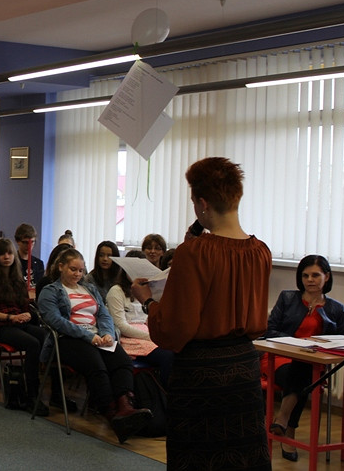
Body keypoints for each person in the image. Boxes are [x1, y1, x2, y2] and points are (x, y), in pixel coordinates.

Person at [130, 157, 272, 469]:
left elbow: (173, 330)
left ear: (202, 203)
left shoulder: (193, 254)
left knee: (198, 458)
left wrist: (148, 302)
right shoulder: (261, 252)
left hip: (201, 375)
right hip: (244, 370)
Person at [38, 248, 152, 443]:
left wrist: (107, 333)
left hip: (96, 337)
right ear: (60, 267)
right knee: (96, 364)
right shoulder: (51, 291)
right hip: (67, 339)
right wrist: (87, 335)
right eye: (73, 269)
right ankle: (111, 412)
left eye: (81, 270)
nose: (77, 274)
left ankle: (125, 407)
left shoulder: (89, 289)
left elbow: (103, 314)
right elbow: (56, 321)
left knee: (122, 359)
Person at [265, 254, 344, 462]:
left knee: (304, 371)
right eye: (305, 276)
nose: (309, 280)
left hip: (313, 363)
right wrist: (298, 344)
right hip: (279, 358)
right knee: (304, 374)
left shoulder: (336, 309)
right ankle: (288, 429)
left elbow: (343, 341)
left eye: (315, 275)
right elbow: (270, 330)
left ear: (326, 277)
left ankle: (283, 421)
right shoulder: (287, 298)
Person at [0, 239, 50, 415]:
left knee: (46, 337)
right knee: (32, 344)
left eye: (9, 253)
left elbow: (25, 306)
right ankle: (32, 394)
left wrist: (27, 315)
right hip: (1, 326)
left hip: (19, 322)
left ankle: (50, 390)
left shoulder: (18, 279)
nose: (6, 257)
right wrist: (12, 317)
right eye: (2, 253)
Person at [105, 268, 173, 388]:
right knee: (167, 356)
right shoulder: (116, 291)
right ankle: (167, 394)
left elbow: (149, 318)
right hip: (129, 338)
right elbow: (121, 326)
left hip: (148, 335)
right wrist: (150, 336)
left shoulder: (147, 290)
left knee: (175, 352)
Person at [14, 223, 44, 288]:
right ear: (18, 241)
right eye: (25, 242)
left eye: (32, 242)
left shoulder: (39, 264)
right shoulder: (12, 262)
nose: (29, 246)